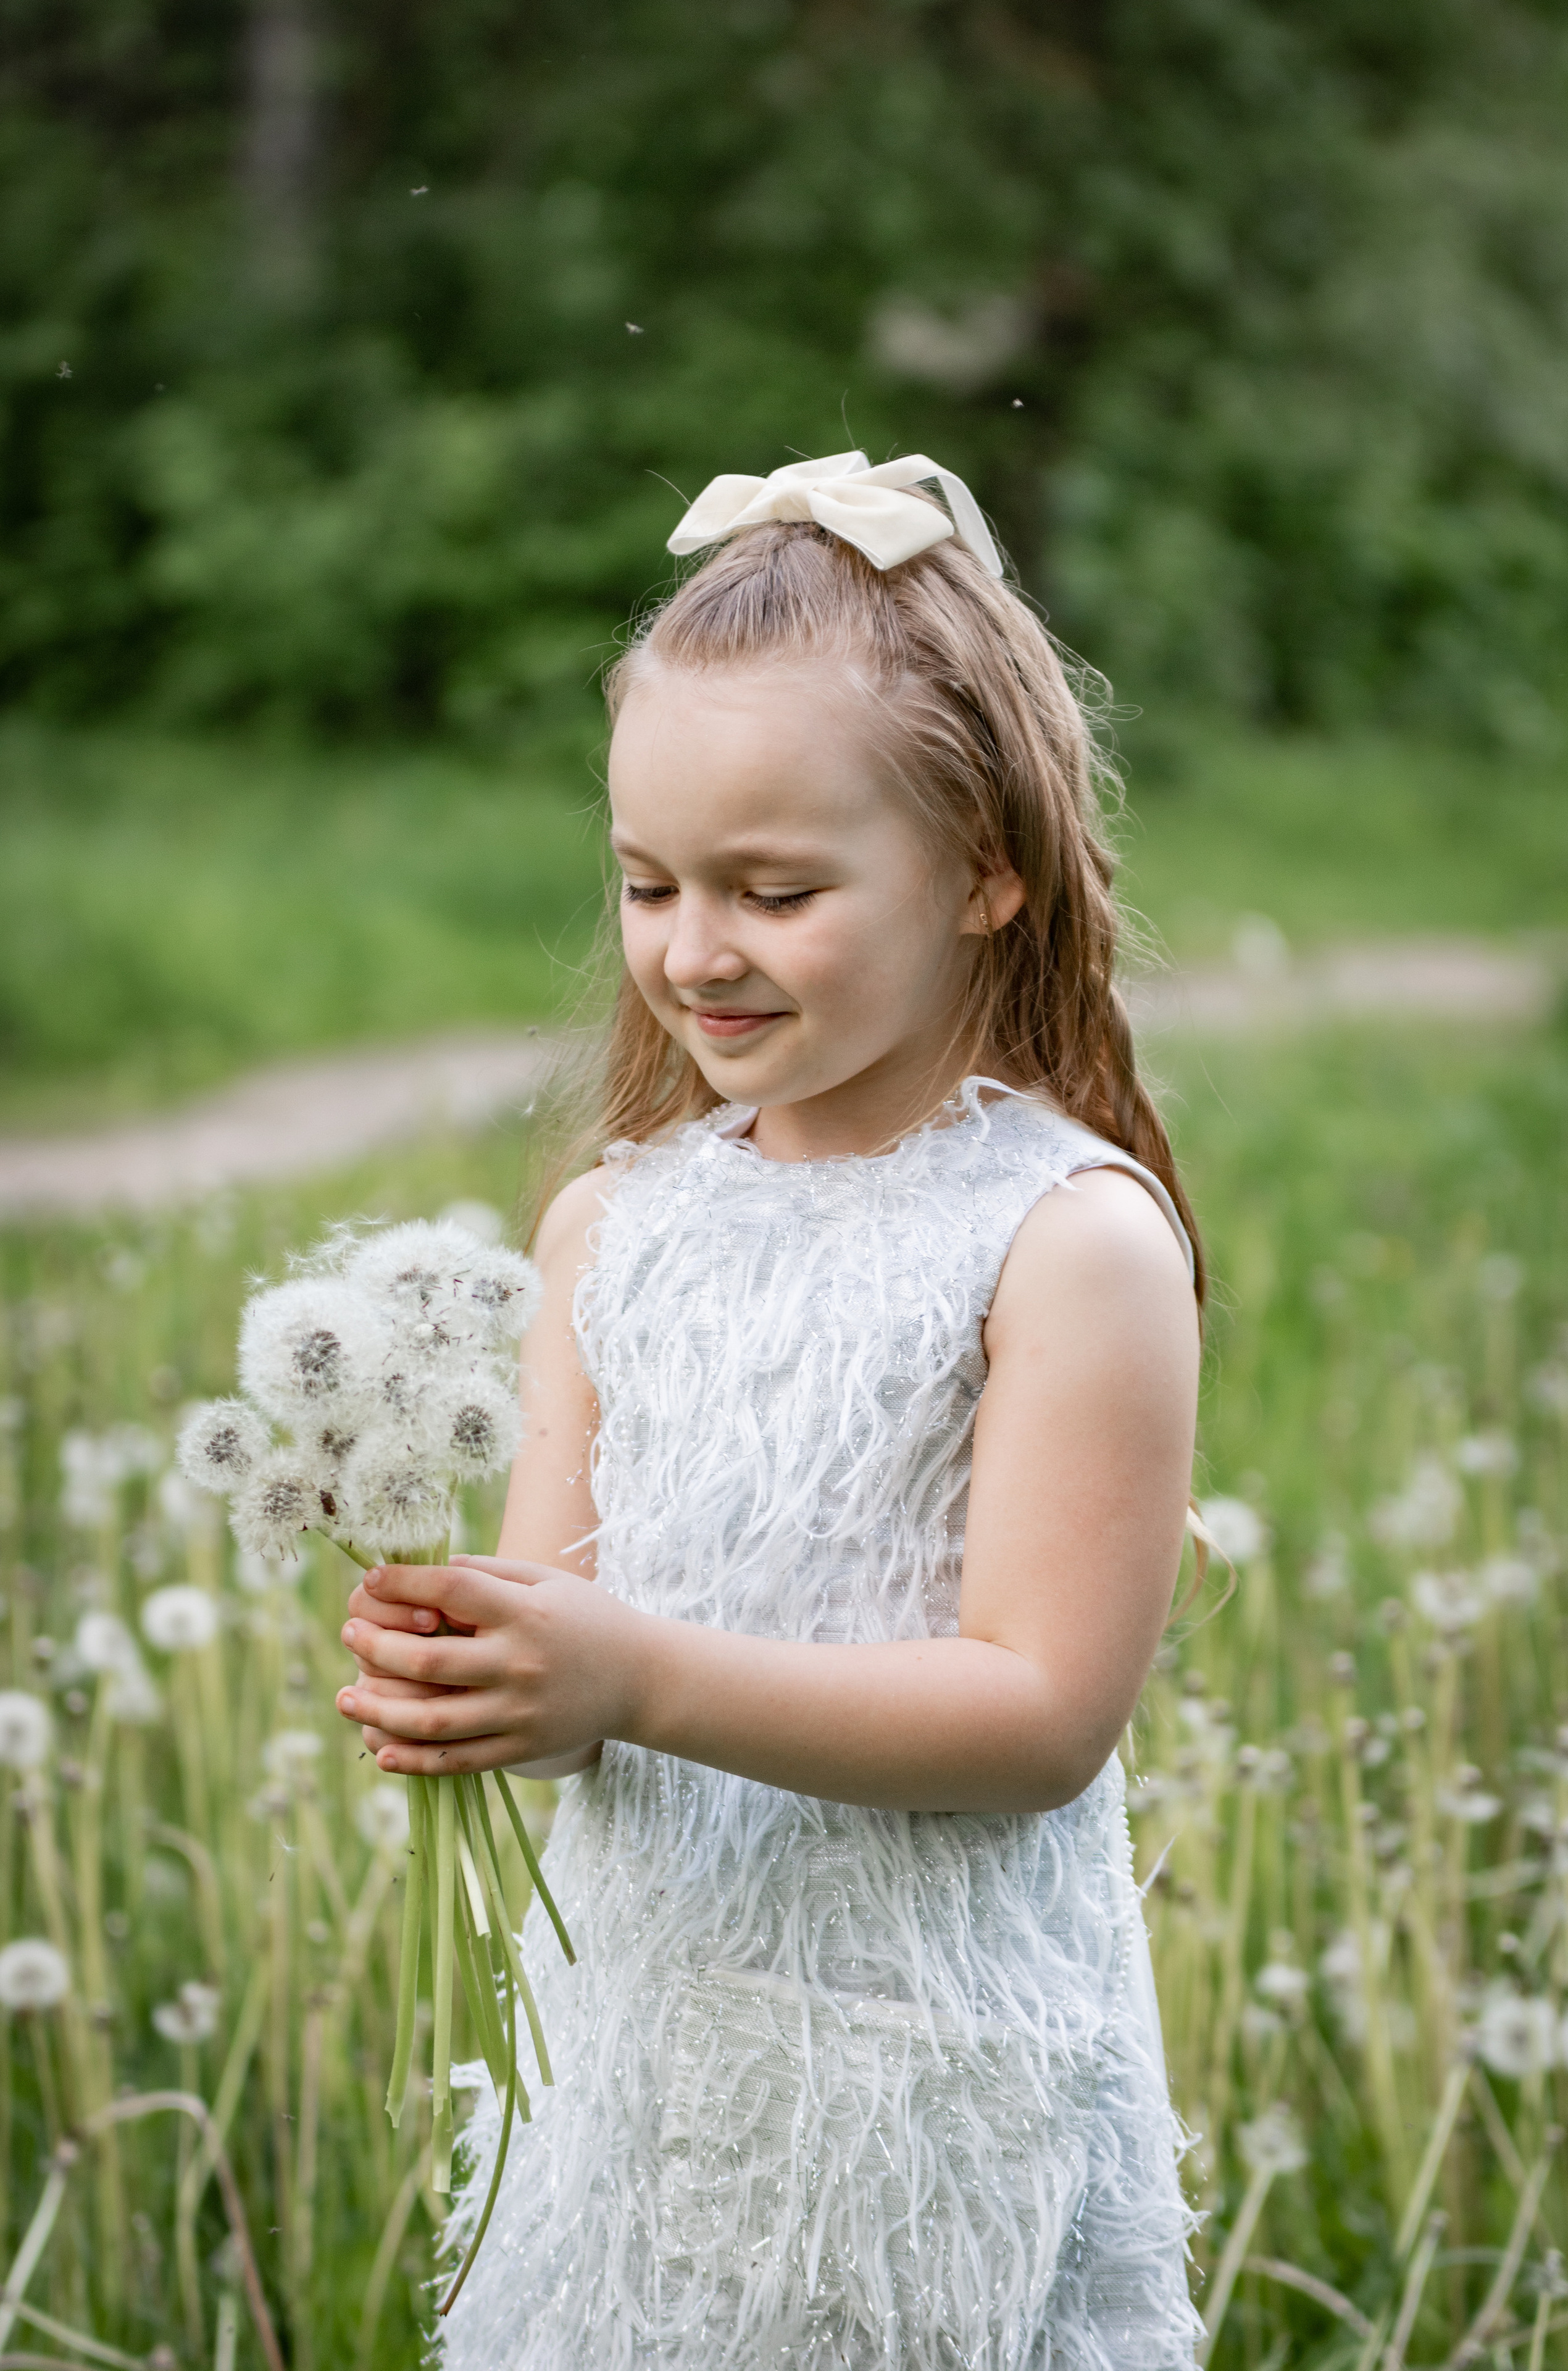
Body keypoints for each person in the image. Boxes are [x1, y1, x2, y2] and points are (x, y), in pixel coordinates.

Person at [335, 450, 1206, 2370]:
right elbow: (568, 1637)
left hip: (930, 2095)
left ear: (987, 866)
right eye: (648, 884)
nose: (694, 949)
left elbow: (1042, 1716)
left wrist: (633, 1680)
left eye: (776, 890)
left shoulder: (1063, 1244)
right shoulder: (611, 1229)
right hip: (642, 2072)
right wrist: (475, 1672)